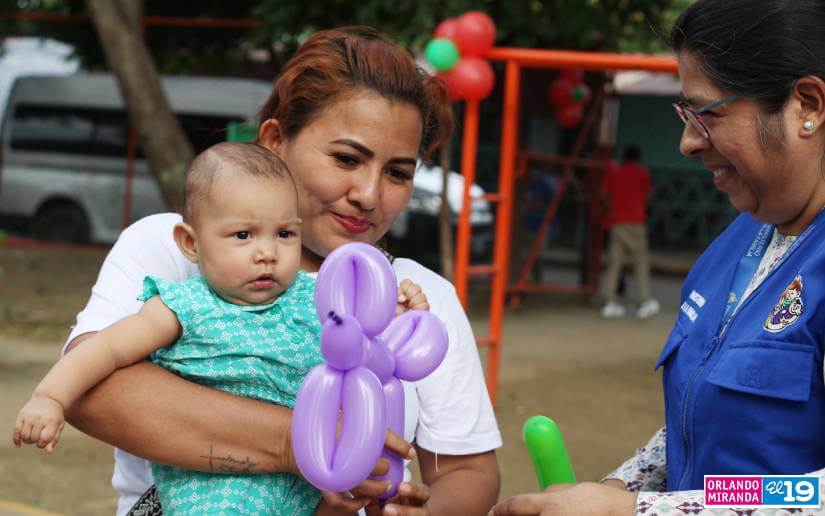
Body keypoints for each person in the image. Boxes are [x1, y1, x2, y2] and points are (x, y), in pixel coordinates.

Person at [60, 28, 501, 516]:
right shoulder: (176, 250)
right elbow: (89, 391)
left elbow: (469, 471)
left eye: (398, 172)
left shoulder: (418, 301)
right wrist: (306, 445)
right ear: (274, 141)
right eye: (346, 158)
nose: (369, 195)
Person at [490, 0, 825, 514]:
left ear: (807, 105)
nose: (687, 141)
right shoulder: (741, 237)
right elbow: (705, 419)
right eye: (684, 114)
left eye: (706, 114)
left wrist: (642, 510)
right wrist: (623, 484)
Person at [13, 141, 431, 514]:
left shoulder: (315, 295)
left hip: (307, 490)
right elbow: (104, 350)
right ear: (191, 243)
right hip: (214, 493)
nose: (267, 252)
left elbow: (360, 339)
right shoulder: (183, 307)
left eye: (284, 234)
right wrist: (50, 397)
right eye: (243, 235)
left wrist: (397, 310)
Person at [600, 144, 658, 320]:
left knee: (614, 264)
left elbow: (603, 193)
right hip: (636, 222)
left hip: (617, 222)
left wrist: (612, 206)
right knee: (640, 262)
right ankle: (644, 301)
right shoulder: (642, 173)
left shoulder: (615, 172)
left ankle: (609, 301)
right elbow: (649, 197)